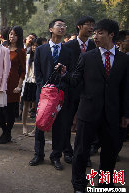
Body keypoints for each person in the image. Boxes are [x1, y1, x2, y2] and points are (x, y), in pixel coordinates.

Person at [58, 19, 129, 193]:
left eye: (100, 33)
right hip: (88, 112)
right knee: (81, 152)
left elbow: (126, 89)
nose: (95, 36)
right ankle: (79, 185)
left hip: (112, 114)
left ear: (112, 35)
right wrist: (64, 74)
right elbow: (75, 81)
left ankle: (104, 185)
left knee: (109, 153)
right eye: (94, 32)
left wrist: (125, 114)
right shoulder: (87, 56)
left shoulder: (123, 60)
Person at [29, 19, 73, 170]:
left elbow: (71, 74)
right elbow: (38, 72)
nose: (62, 28)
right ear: (50, 29)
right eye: (59, 25)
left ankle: (56, 156)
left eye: (64, 25)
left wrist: (62, 81)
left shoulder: (68, 51)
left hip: (60, 94)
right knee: (41, 123)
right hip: (43, 93)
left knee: (59, 126)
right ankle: (38, 154)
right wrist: (44, 88)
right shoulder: (41, 49)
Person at [63, 16, 96, 165]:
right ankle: (67, 152)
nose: (91, 28)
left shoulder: (95, 46)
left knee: (85, 126)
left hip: (87, 92)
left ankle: (83, 155)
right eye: (88, 25)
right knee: (67, 123)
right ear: (79, 26)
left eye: (92, 25)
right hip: (70, 90)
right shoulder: (68, 46)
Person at [0, 26, 26, 144]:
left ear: (18, 36)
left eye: (14, 34)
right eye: (10, 34)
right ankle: (4, 132)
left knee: (9, 111)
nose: (11, 36)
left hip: (13, 83)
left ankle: (7, 133)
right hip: (1, 82)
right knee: (0, 110)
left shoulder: (21, 51)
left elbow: (23, 70)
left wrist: (19, 86)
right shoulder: (3, 48)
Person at [22, 38, 39, 136]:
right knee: (26, 105)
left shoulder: (41, 57)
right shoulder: (28, 57)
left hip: (37, 83)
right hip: (28, 82)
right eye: (33, 45)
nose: (34, 47)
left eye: (36, 46)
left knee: (37, 107)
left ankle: (36, 128)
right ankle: (24, 125)